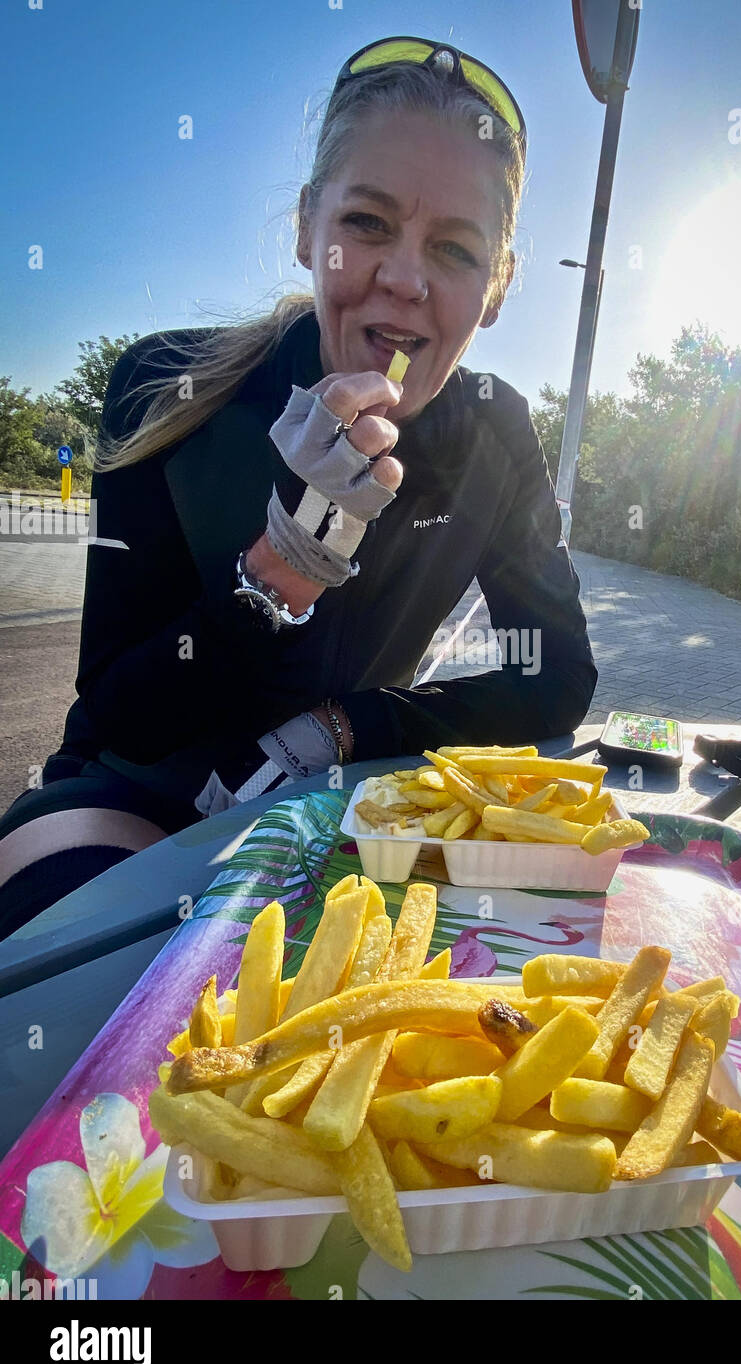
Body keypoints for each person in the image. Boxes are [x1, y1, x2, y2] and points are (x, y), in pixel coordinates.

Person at [0, 37, 597, 937]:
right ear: (306, 227)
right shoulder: (168, 383)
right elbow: (118, 710)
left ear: (499, 285)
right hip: (135, 801)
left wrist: (346, 728)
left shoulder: (494, 429)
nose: (403, 278)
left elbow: (552, 677)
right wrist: (283, 563)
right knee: (55, 940)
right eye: (366, 223)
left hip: (346, 817)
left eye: (455, 248)